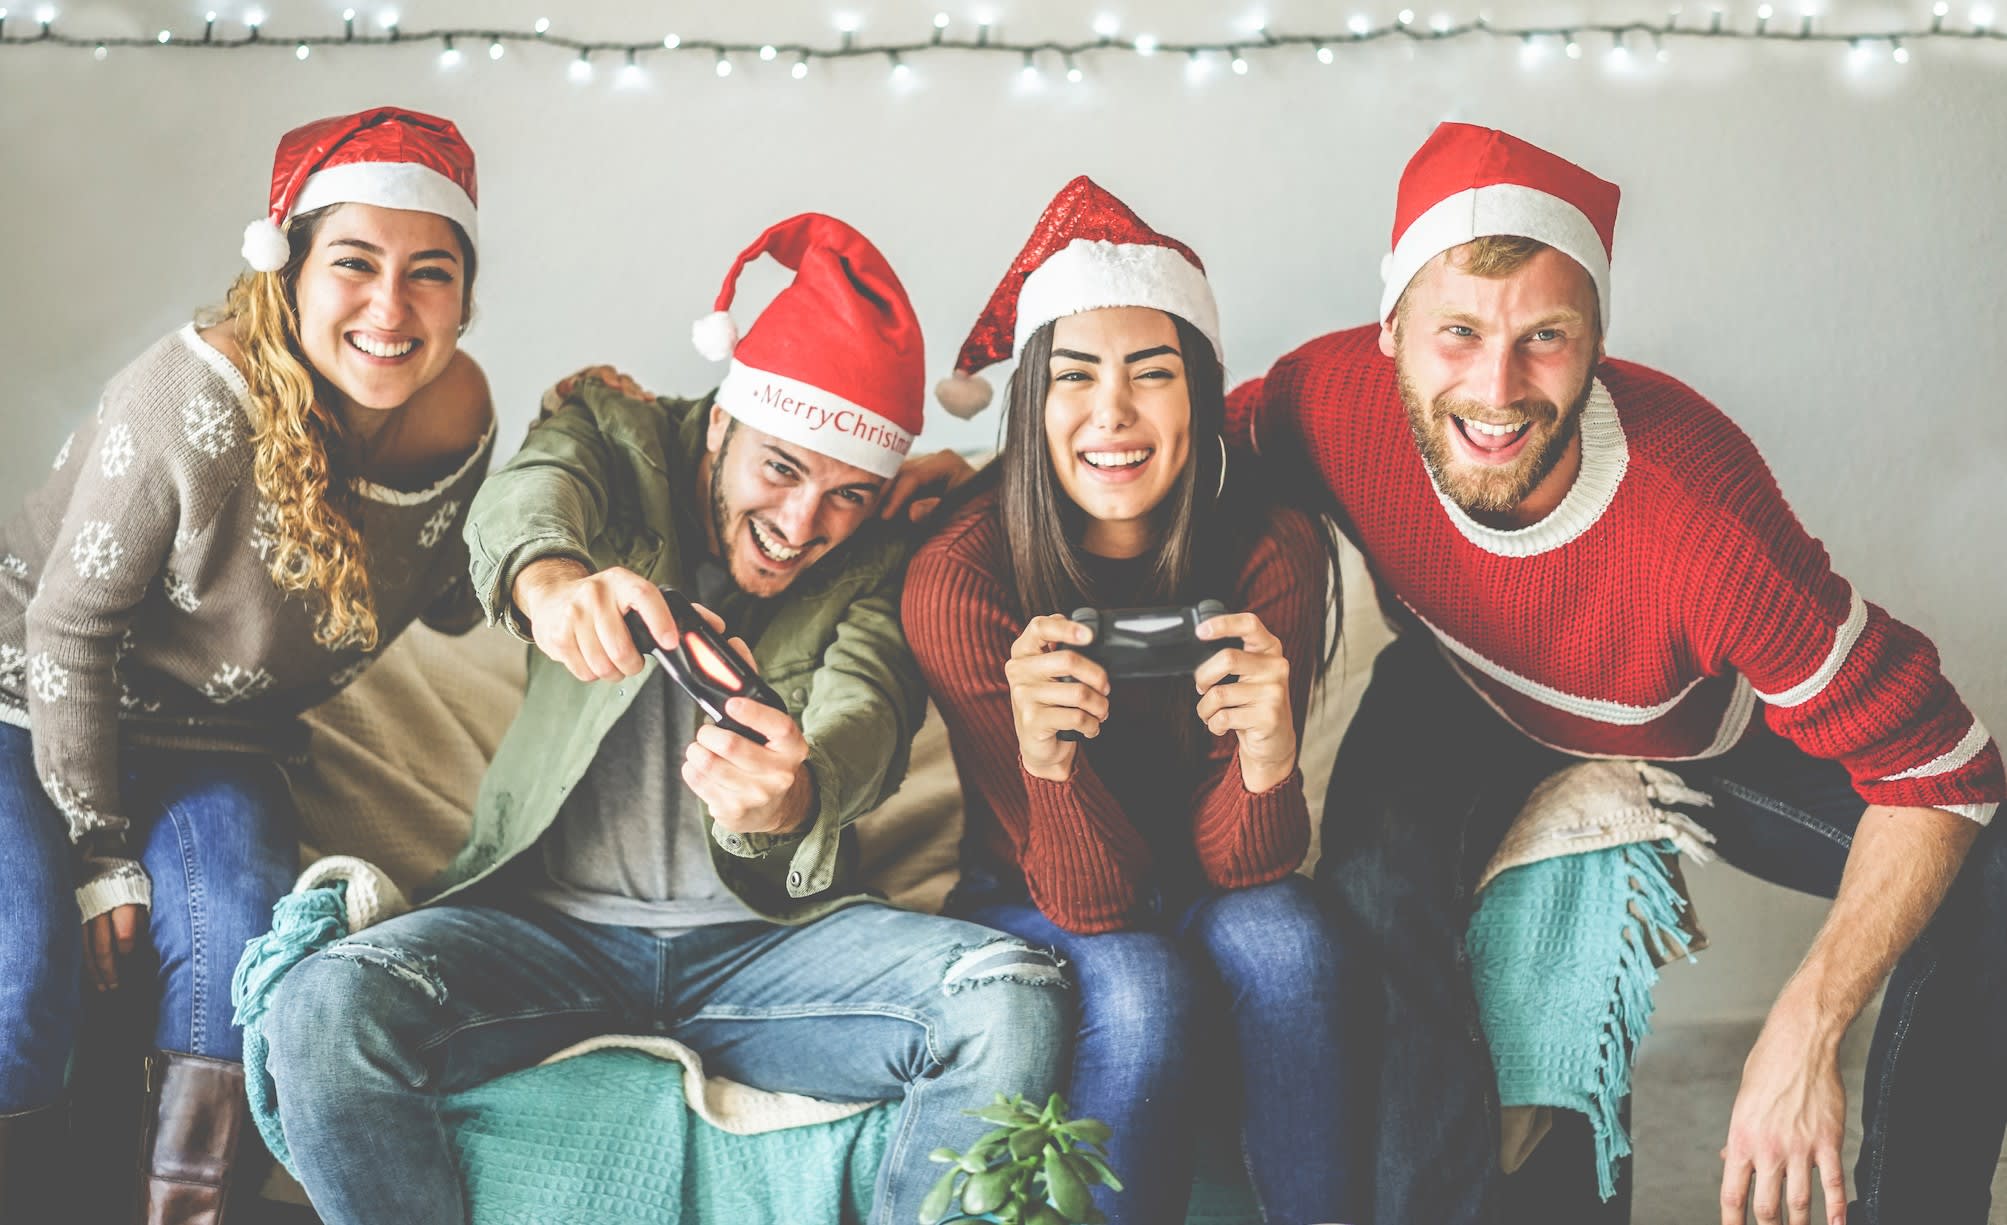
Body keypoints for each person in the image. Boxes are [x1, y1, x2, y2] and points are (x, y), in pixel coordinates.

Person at [1227, 121, 2005, 1225]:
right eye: (1457, 333)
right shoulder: (1326, 399)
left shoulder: (1699, 521)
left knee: (1995, 875)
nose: (1496, 388)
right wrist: (966, 492)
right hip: (1460, 685)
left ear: (1597, 339)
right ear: (1390, 329)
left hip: (1685, 726)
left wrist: (1803, 1027)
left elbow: (1946, 765)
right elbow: (1163, 455)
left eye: (1544, 336)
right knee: (1372, 890)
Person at [258, 213, 1071, 1225]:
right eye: (779, 468)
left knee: (1012, 995)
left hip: (773, 952)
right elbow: (528, 498)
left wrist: (799, 792)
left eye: (847, 495)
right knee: (324, 1003)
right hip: (544, 936)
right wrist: (555, 587)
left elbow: (870, 697)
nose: (801, 524)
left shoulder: (882, 549)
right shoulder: (615, 433)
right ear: (723, 422)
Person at [0, 106, 493, 1220]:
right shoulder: (191, 400)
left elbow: (456, 603)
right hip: (25, 696)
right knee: (20, 972)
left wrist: (574, 457)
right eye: (355, 263)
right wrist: (102, 851)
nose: (390, 306)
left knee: (234, 970)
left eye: (431, 273)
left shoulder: (461, 413)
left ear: (467, 293)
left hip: (219, 742)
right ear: (288, 268)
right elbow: (68, 630)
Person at [905, 177, 1370, 1225]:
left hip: (1214, 869)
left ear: (1200, 396)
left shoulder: (1271, 548)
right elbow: (1094, 905)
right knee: (1141, 987)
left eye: (1151, 374)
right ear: (1030, 404)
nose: (1111, 413)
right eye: (1074, 377)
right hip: (1036, 881)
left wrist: (1265, 760)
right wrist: (1050, 765)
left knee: (1292, 940)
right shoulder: (958, 581)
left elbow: (1249, 864)